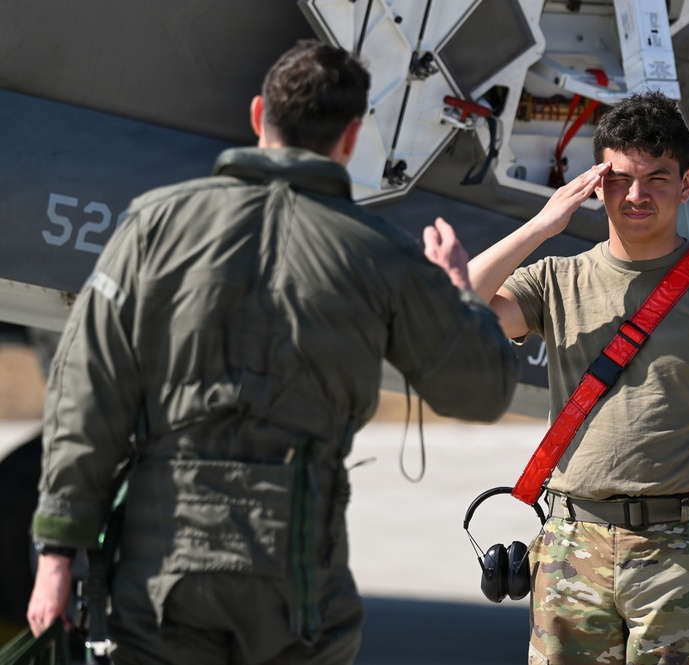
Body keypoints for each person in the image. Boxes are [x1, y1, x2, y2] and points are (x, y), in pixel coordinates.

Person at [27, 40, 518, 664]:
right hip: (298, 574)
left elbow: (86, 392)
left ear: (259, 116)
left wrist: (56, 554)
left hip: (164, 569)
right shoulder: (381, 254)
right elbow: (481, 392)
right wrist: (459, 298)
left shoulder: (151, 226)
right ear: (352, 137)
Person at [466, 90, 689, 664]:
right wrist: (542, 225)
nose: (636, 195)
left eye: (657, 178)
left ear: (687, 184)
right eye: (619, 178)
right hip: (571, 549)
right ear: (596, 183)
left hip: (687, 557)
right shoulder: (556, 280)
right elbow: (453, 308)